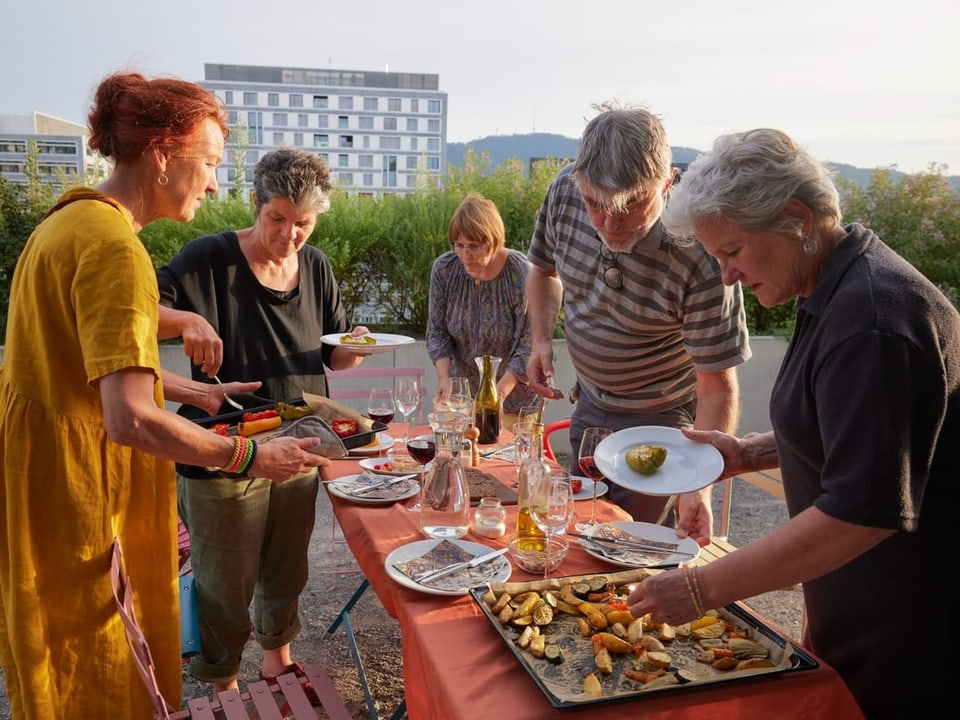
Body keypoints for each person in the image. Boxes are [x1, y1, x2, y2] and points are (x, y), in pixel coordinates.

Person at [0, 72, 328, 719]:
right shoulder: (115, 248)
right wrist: (249, 459)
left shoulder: (67, 223)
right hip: (84, 509)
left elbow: (89, 372)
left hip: (41, 495)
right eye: (207, 163)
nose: (212, 183)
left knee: (56, 673)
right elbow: (128, 419)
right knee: (102, 681)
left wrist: (195, 394)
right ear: (162, 154)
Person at [627, 128, 957, 718]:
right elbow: (863, 432)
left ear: (797, 218)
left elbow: (860, 514)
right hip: (858, 619)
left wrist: (702, 588)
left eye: (731, 251)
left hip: (914, 643)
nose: (725, 275)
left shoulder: (873, 321)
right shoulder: (831, 286)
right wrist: (748, 453)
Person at [156, 147, 368, 695]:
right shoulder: (208, 258)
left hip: (300, 441)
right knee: (224, 580)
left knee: (286, 566)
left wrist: (360, 345)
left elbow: (335, 356)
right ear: (255, 204)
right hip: (225, 450)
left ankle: (277, 661)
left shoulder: (315, 265)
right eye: (277, 219)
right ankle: (223, 683)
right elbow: (129, 311)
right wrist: (186, 318)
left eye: (303, 223)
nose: (289, 235)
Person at [525, 102, 751, 543]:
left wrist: (697, 486)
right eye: (595, 203)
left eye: (631, 205)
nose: (609, 222)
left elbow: (718, 385)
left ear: (667, 183)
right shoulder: (564, 192)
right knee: (581, 530)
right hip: (589, 405)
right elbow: (542, 270)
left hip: (662, 420)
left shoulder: (699, 249)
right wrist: (539, 341)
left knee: (631, 546)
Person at [426, 191, 537, 418]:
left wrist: (498, 396)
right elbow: (436, 331)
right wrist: (445, 379)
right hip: (460, 402)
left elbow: (528, 346)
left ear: (493, 240)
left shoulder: (521, 273)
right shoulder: (445, 269)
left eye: (474, 246)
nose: (465, 255)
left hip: (513, 403)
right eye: (459, 245)